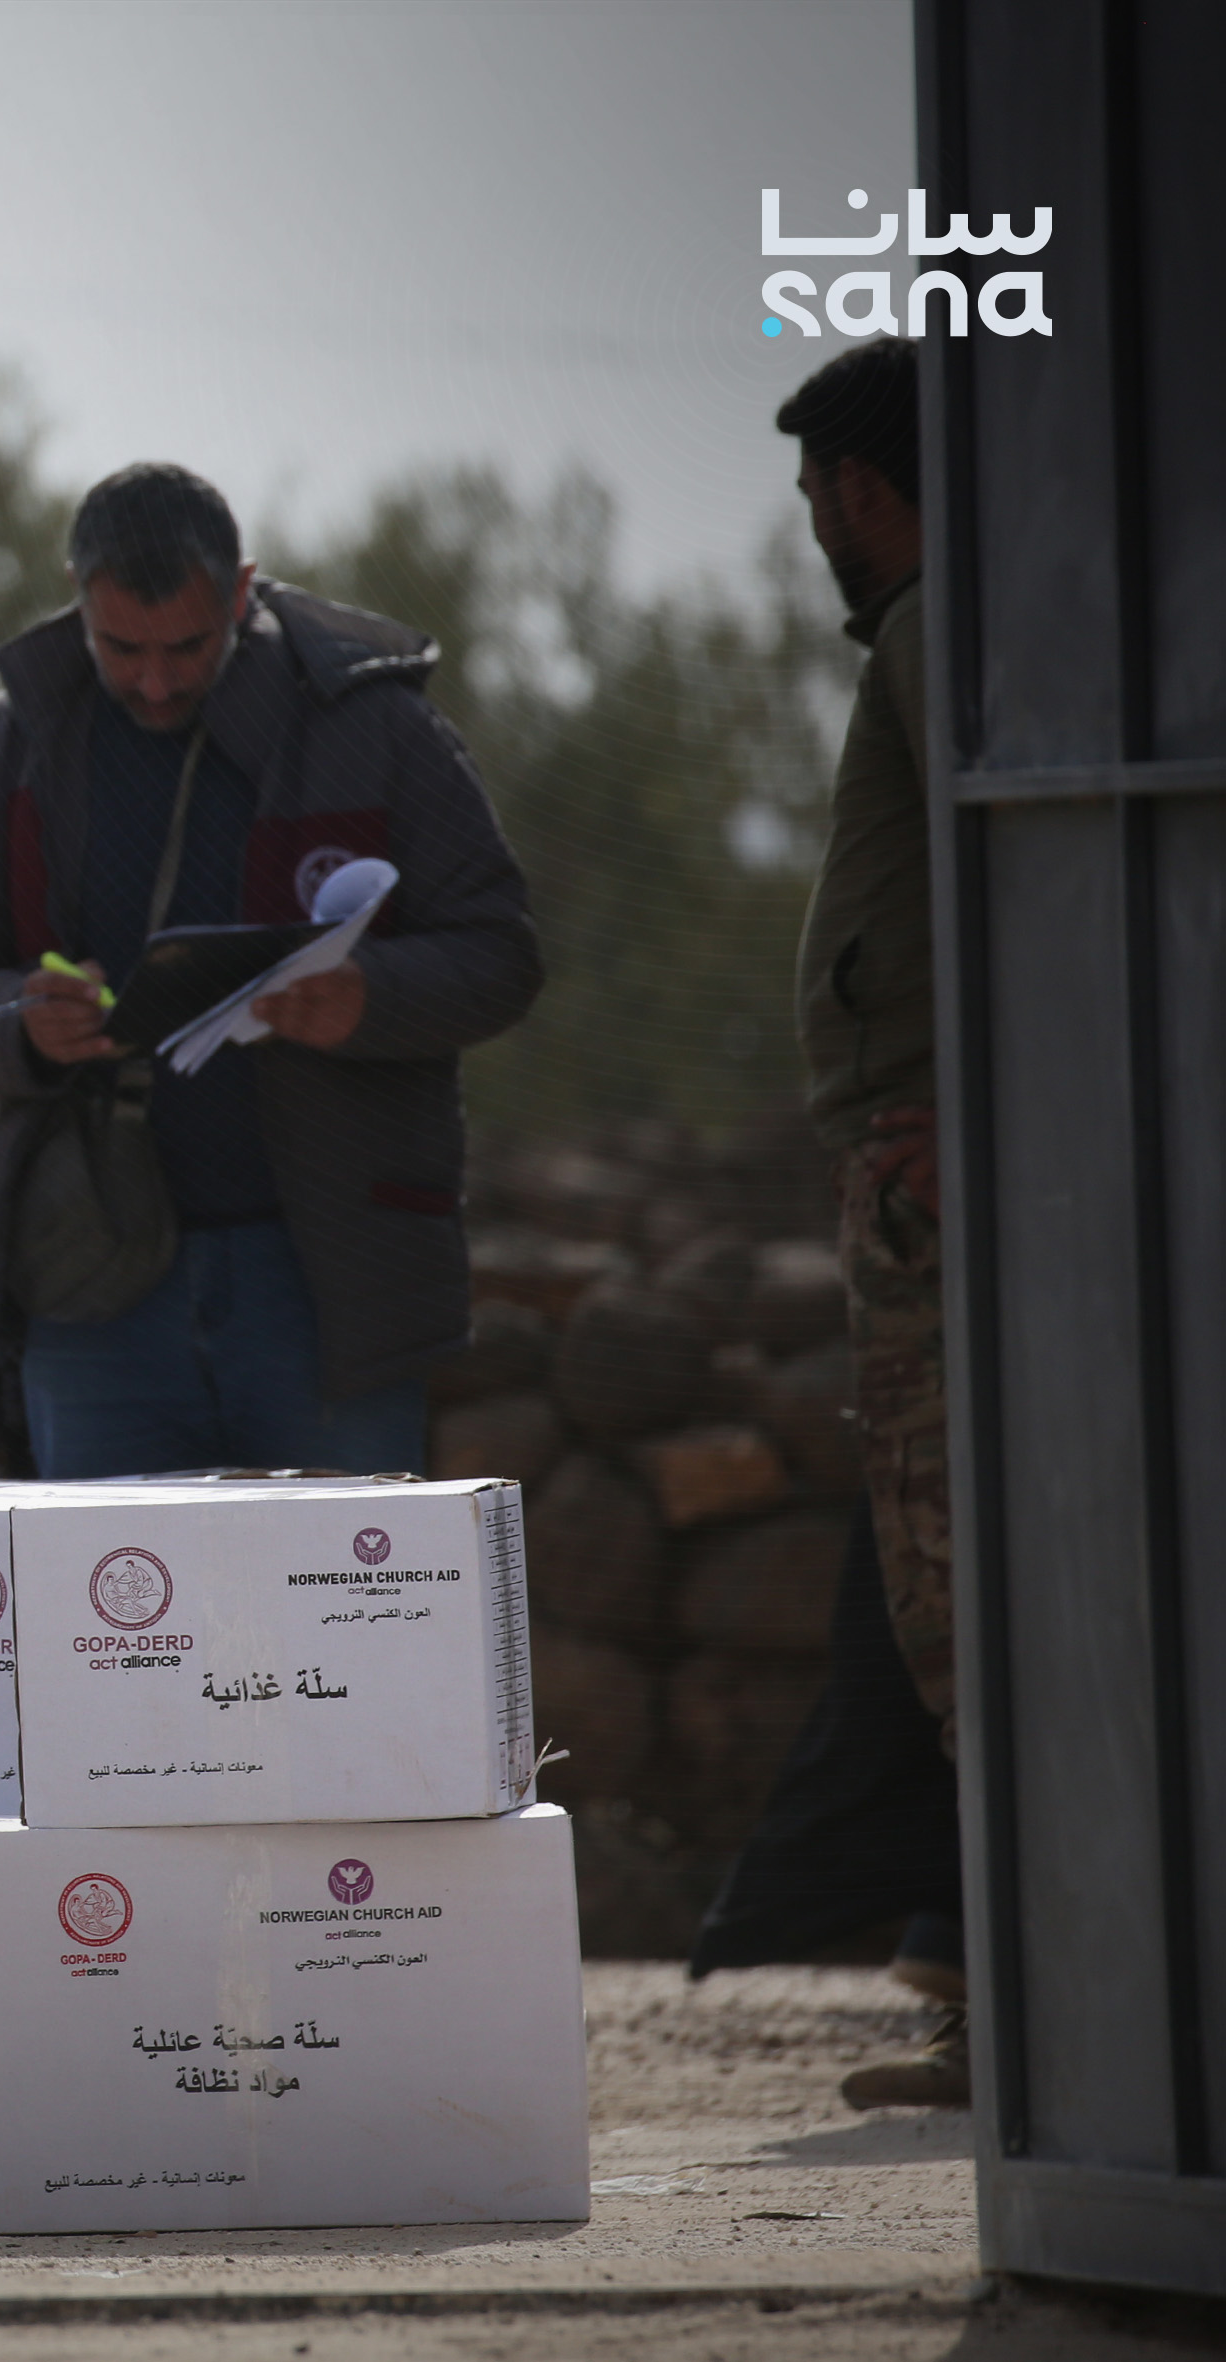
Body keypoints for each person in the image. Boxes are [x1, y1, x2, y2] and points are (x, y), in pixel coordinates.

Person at [0, 462, 541, 1478]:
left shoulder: (378, 728)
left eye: (186, 646)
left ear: (242, 591)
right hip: (91, 1291)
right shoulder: (11, 741)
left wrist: (371, 998)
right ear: (77, 595)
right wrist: (22, 1022)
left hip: (326, 1284)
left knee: (343, 1581)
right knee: (109, 1588)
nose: (154, 681)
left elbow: (501, 953)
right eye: (120, 648)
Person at [769, 334, 967, 2109]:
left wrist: (969, 1118)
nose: (815, 524)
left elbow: (1021, 893)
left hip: (937, 1205)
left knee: (955, 1600)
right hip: (928, 1184)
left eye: (818, 490)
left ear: (856, 487)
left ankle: (1035, 2022)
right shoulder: (938, 637)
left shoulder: (932, 638)